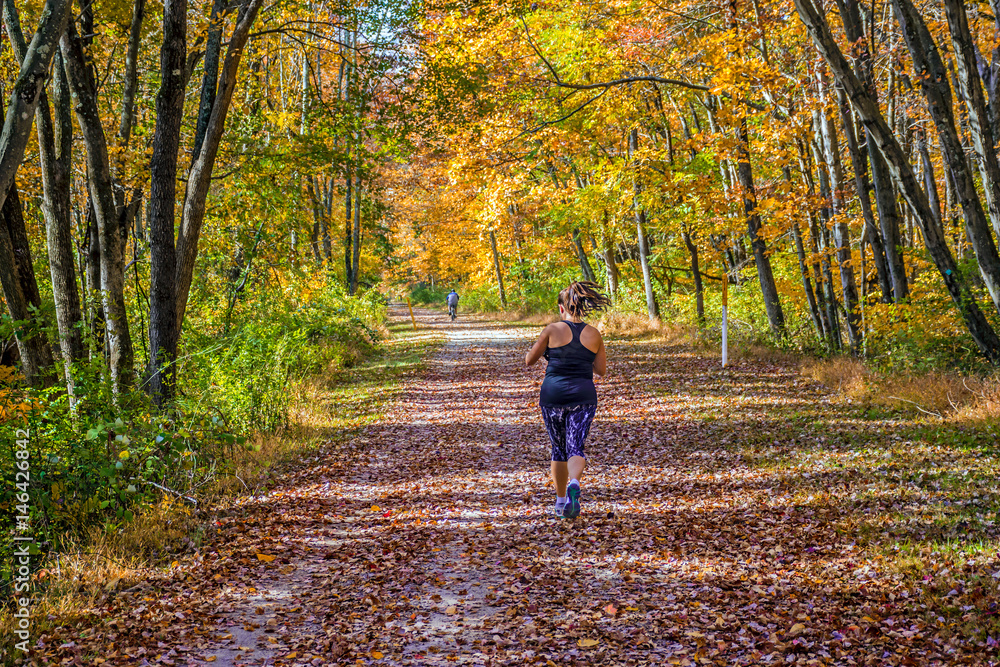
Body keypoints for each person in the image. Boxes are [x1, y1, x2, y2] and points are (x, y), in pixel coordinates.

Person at [524, 281, 610, 519]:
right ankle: (575, 482)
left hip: (553, 395)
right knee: (576, 446)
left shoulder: (551, 330)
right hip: (583, 395)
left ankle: (561, 501)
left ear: (562, 308)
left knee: (558, 448)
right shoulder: (594, 334)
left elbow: (529, 360)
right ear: (582, 306)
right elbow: (601, 370)